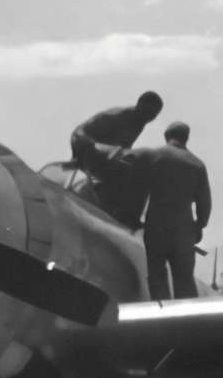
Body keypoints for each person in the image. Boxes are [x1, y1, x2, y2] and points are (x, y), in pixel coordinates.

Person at [125, 122, 211, 299]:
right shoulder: (197, 165)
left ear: (166, 135)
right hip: (184, 229)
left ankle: (162, 318)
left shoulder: (153, 155)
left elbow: (127, 160)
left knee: (157, 274)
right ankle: (187, 322)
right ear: (186, 138)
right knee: (185, 278)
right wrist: (199, 226)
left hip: (157, 226)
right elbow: (205, 204)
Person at [70, 92, 163, 227]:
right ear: (139, 105)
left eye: (154, 116)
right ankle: (127, 218)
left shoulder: (139, 121)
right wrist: (80, 155)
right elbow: (79, 134)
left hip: (106, 156)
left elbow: (124, 148)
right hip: (86, 149)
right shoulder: (117, 116)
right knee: (131, 174)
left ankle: (125, 215)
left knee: (140, 173)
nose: (150, 118)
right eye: (149, 113)